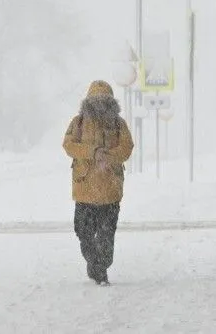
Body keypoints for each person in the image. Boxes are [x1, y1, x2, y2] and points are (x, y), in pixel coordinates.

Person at [62, 80, 134, 286]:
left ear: (111, 102)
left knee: (106, 235)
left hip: (110, 190)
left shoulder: (119, 124)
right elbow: (68, 145)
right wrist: (92, 152)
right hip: (85, 189)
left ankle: (100, 268)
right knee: (83, 231)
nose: (100, 104)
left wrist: (108, 157)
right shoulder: (78, 122)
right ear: (88, 101)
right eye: (96, 100)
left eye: (104, 100)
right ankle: (96, 266)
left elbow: (127, 148)